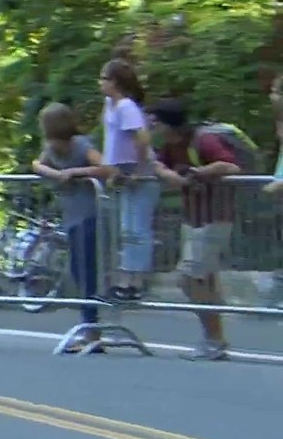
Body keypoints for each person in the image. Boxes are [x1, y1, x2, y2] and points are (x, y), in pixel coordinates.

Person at [151, 100, 238, 361]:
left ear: (168, 123)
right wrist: (167, 174)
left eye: (155, 121)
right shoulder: (170, 146)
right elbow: (157, 165)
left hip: (214, 218)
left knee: (189, 278)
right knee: (204, 279)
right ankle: (212, 340)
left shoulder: (203, 140)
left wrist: (199, 172)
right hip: (193, 219)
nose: (152, 126)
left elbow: (231, 166)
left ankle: (215, 340)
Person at [31, 103, 113, 350]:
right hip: (72, 217)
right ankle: (89, 328)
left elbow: (105, 168)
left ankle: (91, 329)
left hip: (89, 215)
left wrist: (75, 172)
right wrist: (55, 175)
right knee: (78, 272)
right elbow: (37, 164)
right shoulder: (51, 149)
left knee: (88, 273)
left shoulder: (80, 145)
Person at [99, 58, 157, 301]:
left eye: (104, 78)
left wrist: (139, 170)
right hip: (121, 171)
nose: (100, 83)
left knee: (137, 228)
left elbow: (142, 138)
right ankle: (125, 279)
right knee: (125, 228)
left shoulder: (126, 107)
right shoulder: (109, 105)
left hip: (137, 171)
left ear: (115, 82)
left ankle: (137, 281)